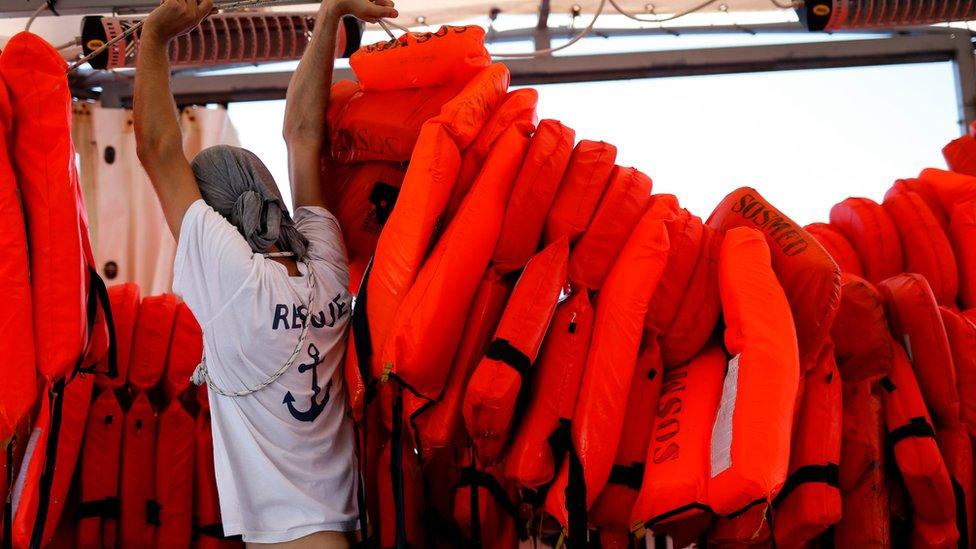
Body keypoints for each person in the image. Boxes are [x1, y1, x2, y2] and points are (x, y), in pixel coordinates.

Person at [133, 0, 396, 546]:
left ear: (219, 223)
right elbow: (305, 135)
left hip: (290, 539)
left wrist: (154, 38)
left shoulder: (235, 283)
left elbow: (159, 149)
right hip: (343, 524)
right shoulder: (324, 260)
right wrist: (330, 15)